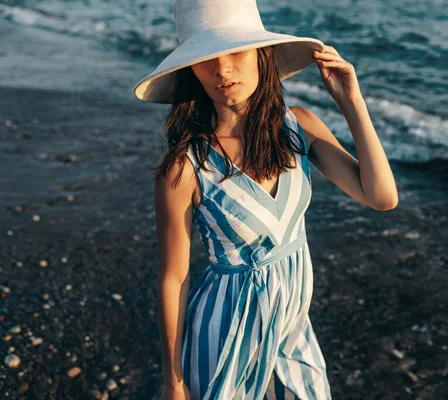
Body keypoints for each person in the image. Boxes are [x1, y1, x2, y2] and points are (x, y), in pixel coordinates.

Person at [134, 1, 398, 399]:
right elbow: (174, 278)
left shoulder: (300, 127)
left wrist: (351, 102)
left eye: (235, 52)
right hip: (224, 331)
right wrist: (173, 383)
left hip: (292, 325)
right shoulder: (186, 166)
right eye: (206, 60)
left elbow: (381, 197)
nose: (222, 70)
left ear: (262, 55)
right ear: (190, 70)